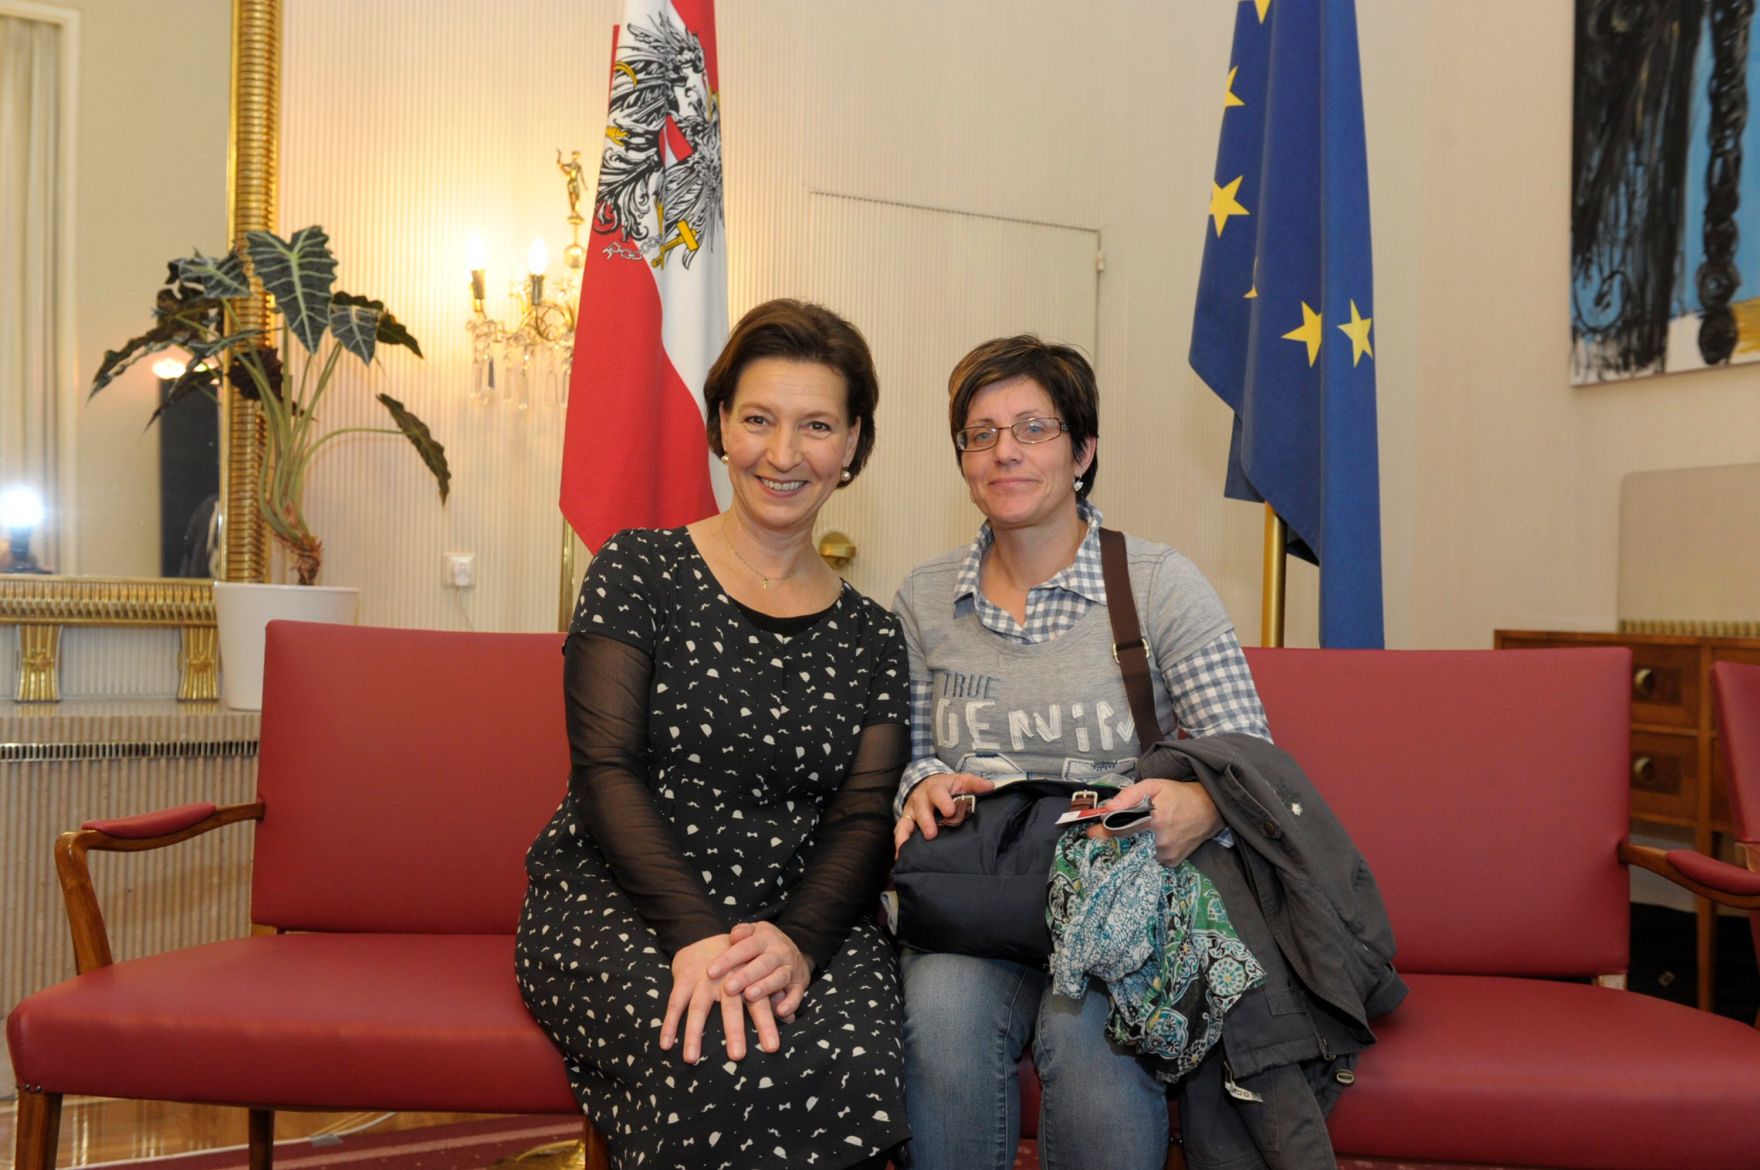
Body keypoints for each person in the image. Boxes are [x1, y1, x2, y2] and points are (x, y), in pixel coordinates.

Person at [516, 299, 910, 1170]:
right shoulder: (638, 569)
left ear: (853, 447)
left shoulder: (876, 635)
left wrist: (798, 943)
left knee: (855, 1063)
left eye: (816, 426)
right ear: (721, 425)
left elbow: (862, 818)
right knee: (713, 1054)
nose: (783, 453)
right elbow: (606, 771)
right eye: (759, 419)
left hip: (805, 915)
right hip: (623, 900)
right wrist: (695, 934)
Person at [891, 335, 1275, 1170]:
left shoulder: (1159, 584)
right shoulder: (923, 600)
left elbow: (1247, 758)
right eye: (981, 433)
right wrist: (920, 783)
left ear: (1083, 450)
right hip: (974, 905)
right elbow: (906, 759)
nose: (1006, 452)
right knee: (941, 1018)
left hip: (1118, 904)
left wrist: (1199, 804)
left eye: (1034, 427)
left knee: (1099, 1045)